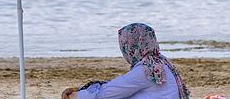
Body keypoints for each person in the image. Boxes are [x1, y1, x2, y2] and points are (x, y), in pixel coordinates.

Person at [61, 23, 190, 99]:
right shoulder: (161, 63)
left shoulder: (146, 70)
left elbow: (106, 94)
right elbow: (121, 87)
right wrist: (82, 90)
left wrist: (76, 96)